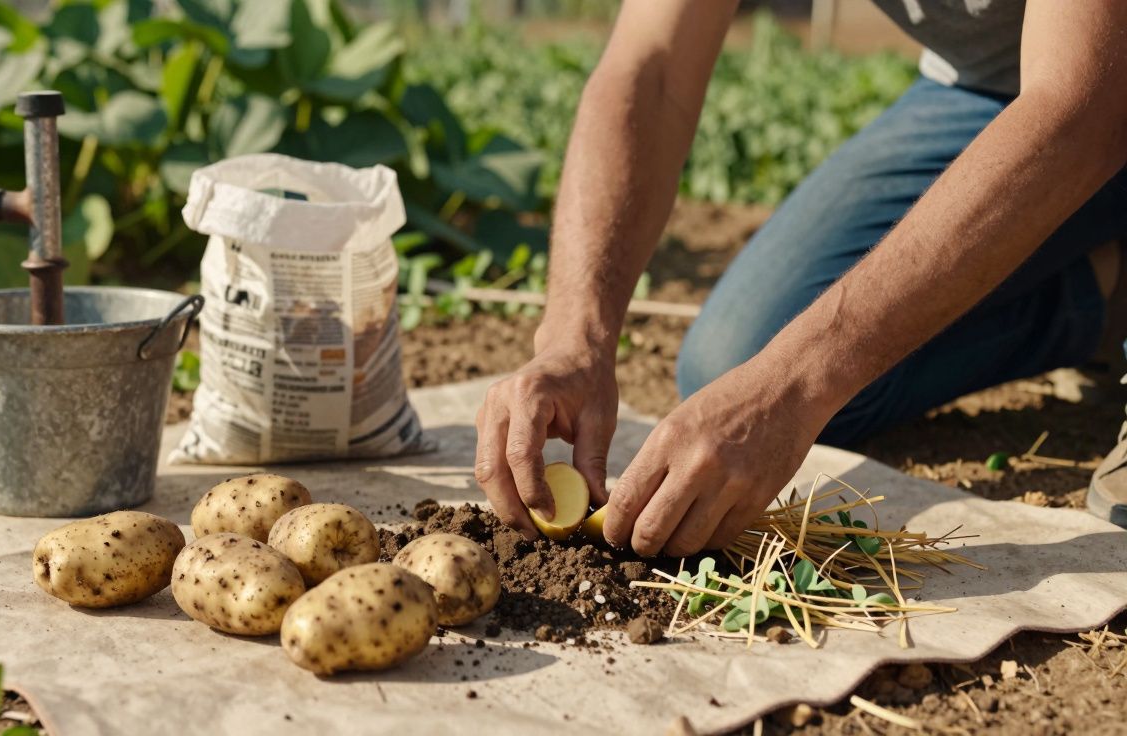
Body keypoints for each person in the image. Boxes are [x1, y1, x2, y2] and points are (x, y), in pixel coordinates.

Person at [473, 0, 1127, 556]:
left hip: (1092, 84)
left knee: (793, 377)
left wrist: (796, 382)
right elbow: (653, 66)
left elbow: (1085, 103)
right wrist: (573, 334)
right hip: (991, 87)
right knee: (741, 357)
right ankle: (1104, 290)